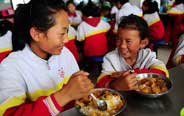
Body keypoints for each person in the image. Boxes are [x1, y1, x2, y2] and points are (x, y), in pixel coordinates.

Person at [0, 0, 94, 116]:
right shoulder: (10, 67)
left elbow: (77, 96)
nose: (66, 40)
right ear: (36, 34)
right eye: (61, 33)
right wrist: (64, 95)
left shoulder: (64, 53)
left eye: (67, 31)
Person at [96, 15, 169, 90]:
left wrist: (128, 74)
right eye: (118, 39)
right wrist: (115, 85)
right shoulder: (110, 58)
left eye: (128, 41)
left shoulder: (147, 56)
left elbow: (162, 72)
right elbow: (100, 82)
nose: (122, 46)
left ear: (143, 43)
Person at [77, 2, 110, 72]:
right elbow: (108, 28)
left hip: (90, 55)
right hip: (103, 52)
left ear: (84, 15)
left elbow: (79, 39)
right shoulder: (102, 22)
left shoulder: (82, 25)